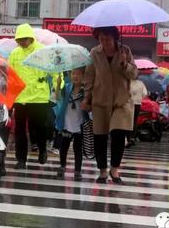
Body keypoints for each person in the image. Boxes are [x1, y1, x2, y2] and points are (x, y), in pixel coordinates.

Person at [82, 26, 137, 185]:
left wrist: (125, 64)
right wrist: (87, 98)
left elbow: (134, 74)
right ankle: (102, 171)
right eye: (101, 39)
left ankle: (114, 169)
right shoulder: (94, 53)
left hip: (121, 101)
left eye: (108, 39)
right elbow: (89, 77)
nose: (105, 42)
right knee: (100, 137)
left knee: (118, 134)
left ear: (115, 37)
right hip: (100, 101)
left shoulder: (125, 51)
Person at [9, 24, 60, 169]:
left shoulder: (42, 51)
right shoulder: (14, 54)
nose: (22, 42)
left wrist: (58, 87)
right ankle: (21, 159)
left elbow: (54, 71)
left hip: (39, 97)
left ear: (30, 38)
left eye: (24, 39)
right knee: (19, 130)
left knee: (39, 128)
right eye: (19, 40)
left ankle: (43, 149)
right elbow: (10, 75)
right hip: (21, 98)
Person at [54, 67, 86, 181]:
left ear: (83, 76)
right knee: (64, 147)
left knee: (78, 149)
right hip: (67, 124)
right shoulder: (66, 88)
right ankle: (62, 167)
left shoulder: (85, 90)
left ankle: (78, 171)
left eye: (78, 74)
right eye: (73, 74)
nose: (75, 76)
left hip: (79, 124)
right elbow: (57, 98)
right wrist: (58, 85)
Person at [126, 78, 148, 147]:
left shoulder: (127, 82)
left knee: (128, 121)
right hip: (137, 104)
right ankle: (132, 137)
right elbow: (145, 93)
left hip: (128, 103)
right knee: (134, 121)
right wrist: (139, 97)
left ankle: (127, 137)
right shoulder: (141, 83)